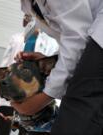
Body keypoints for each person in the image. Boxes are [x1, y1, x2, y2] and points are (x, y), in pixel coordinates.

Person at [12, 0, 103, 135]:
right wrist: (53, 61)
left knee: (77, 110)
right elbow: (75, 38)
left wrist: (44, 97)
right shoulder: (29, 5)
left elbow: (77, 40)